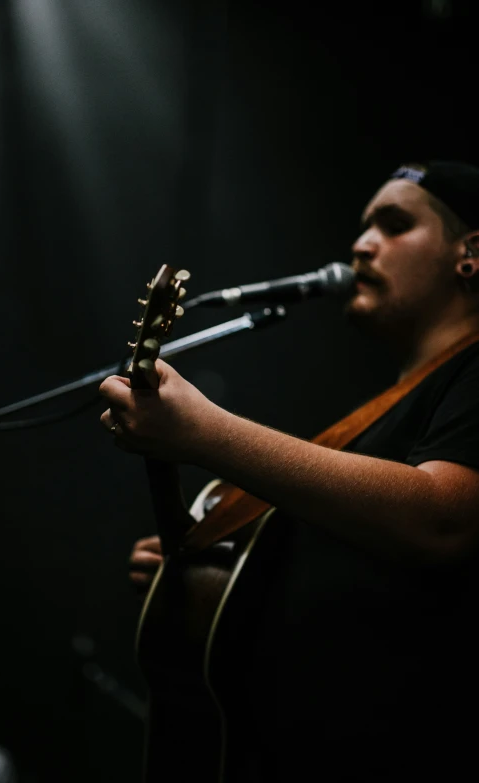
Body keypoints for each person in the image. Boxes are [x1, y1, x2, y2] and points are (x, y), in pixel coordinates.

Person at [100, 160, 479, 781]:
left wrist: (205, 432)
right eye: (363, 227)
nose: (361, 244)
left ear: (472, 253)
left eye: (394, 224)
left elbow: (444, 519)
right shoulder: (392, 408)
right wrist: (209, 576)